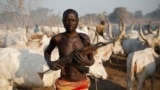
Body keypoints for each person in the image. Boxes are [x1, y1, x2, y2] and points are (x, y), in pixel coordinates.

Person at [44, 9, 95, 90]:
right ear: (63, 21)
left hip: (82, 84)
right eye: (66, 20)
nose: (70, 23)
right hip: (64, 84)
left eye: (73, 20)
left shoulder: (84, 38)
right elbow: (47, 52)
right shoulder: (57, 38)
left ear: (77, 21)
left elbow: (91, 61)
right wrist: (50, 63)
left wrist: (85, 62)